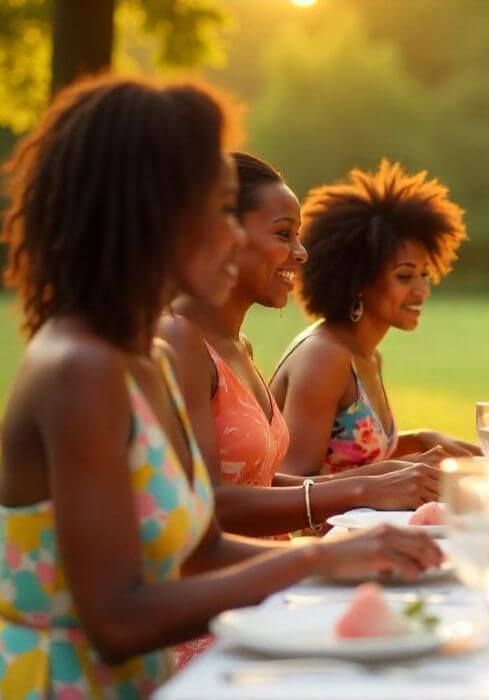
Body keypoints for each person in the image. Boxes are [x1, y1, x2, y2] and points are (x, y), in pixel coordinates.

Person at [0, 76, 440, 698]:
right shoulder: (80, 369)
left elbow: (202, 547)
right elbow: (116, 620)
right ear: (149, 216)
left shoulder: (143, 358)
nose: (236, 236)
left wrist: (362, 556)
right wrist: (315, 560)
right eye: (218, 210)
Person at [160, 153, 444, 541]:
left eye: (298, 235)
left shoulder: (238, 346)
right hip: (236, 588)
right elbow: (208, 508)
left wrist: (395, 471)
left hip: (273, 575)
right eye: (283, 234)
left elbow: (259, 482)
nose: (301, 252)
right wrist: (365, 490)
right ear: (223, 235)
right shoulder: (178, 340)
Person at [271, 160, 479, 478]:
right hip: (324, 531)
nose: (422, 290)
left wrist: (420, 440)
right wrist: (396, 471)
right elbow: (293, 484)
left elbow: (352, 454)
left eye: (425, 274)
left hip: (366, 526)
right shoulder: (325, 356)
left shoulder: (367, 356)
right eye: (405, 276)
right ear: (357, 280)